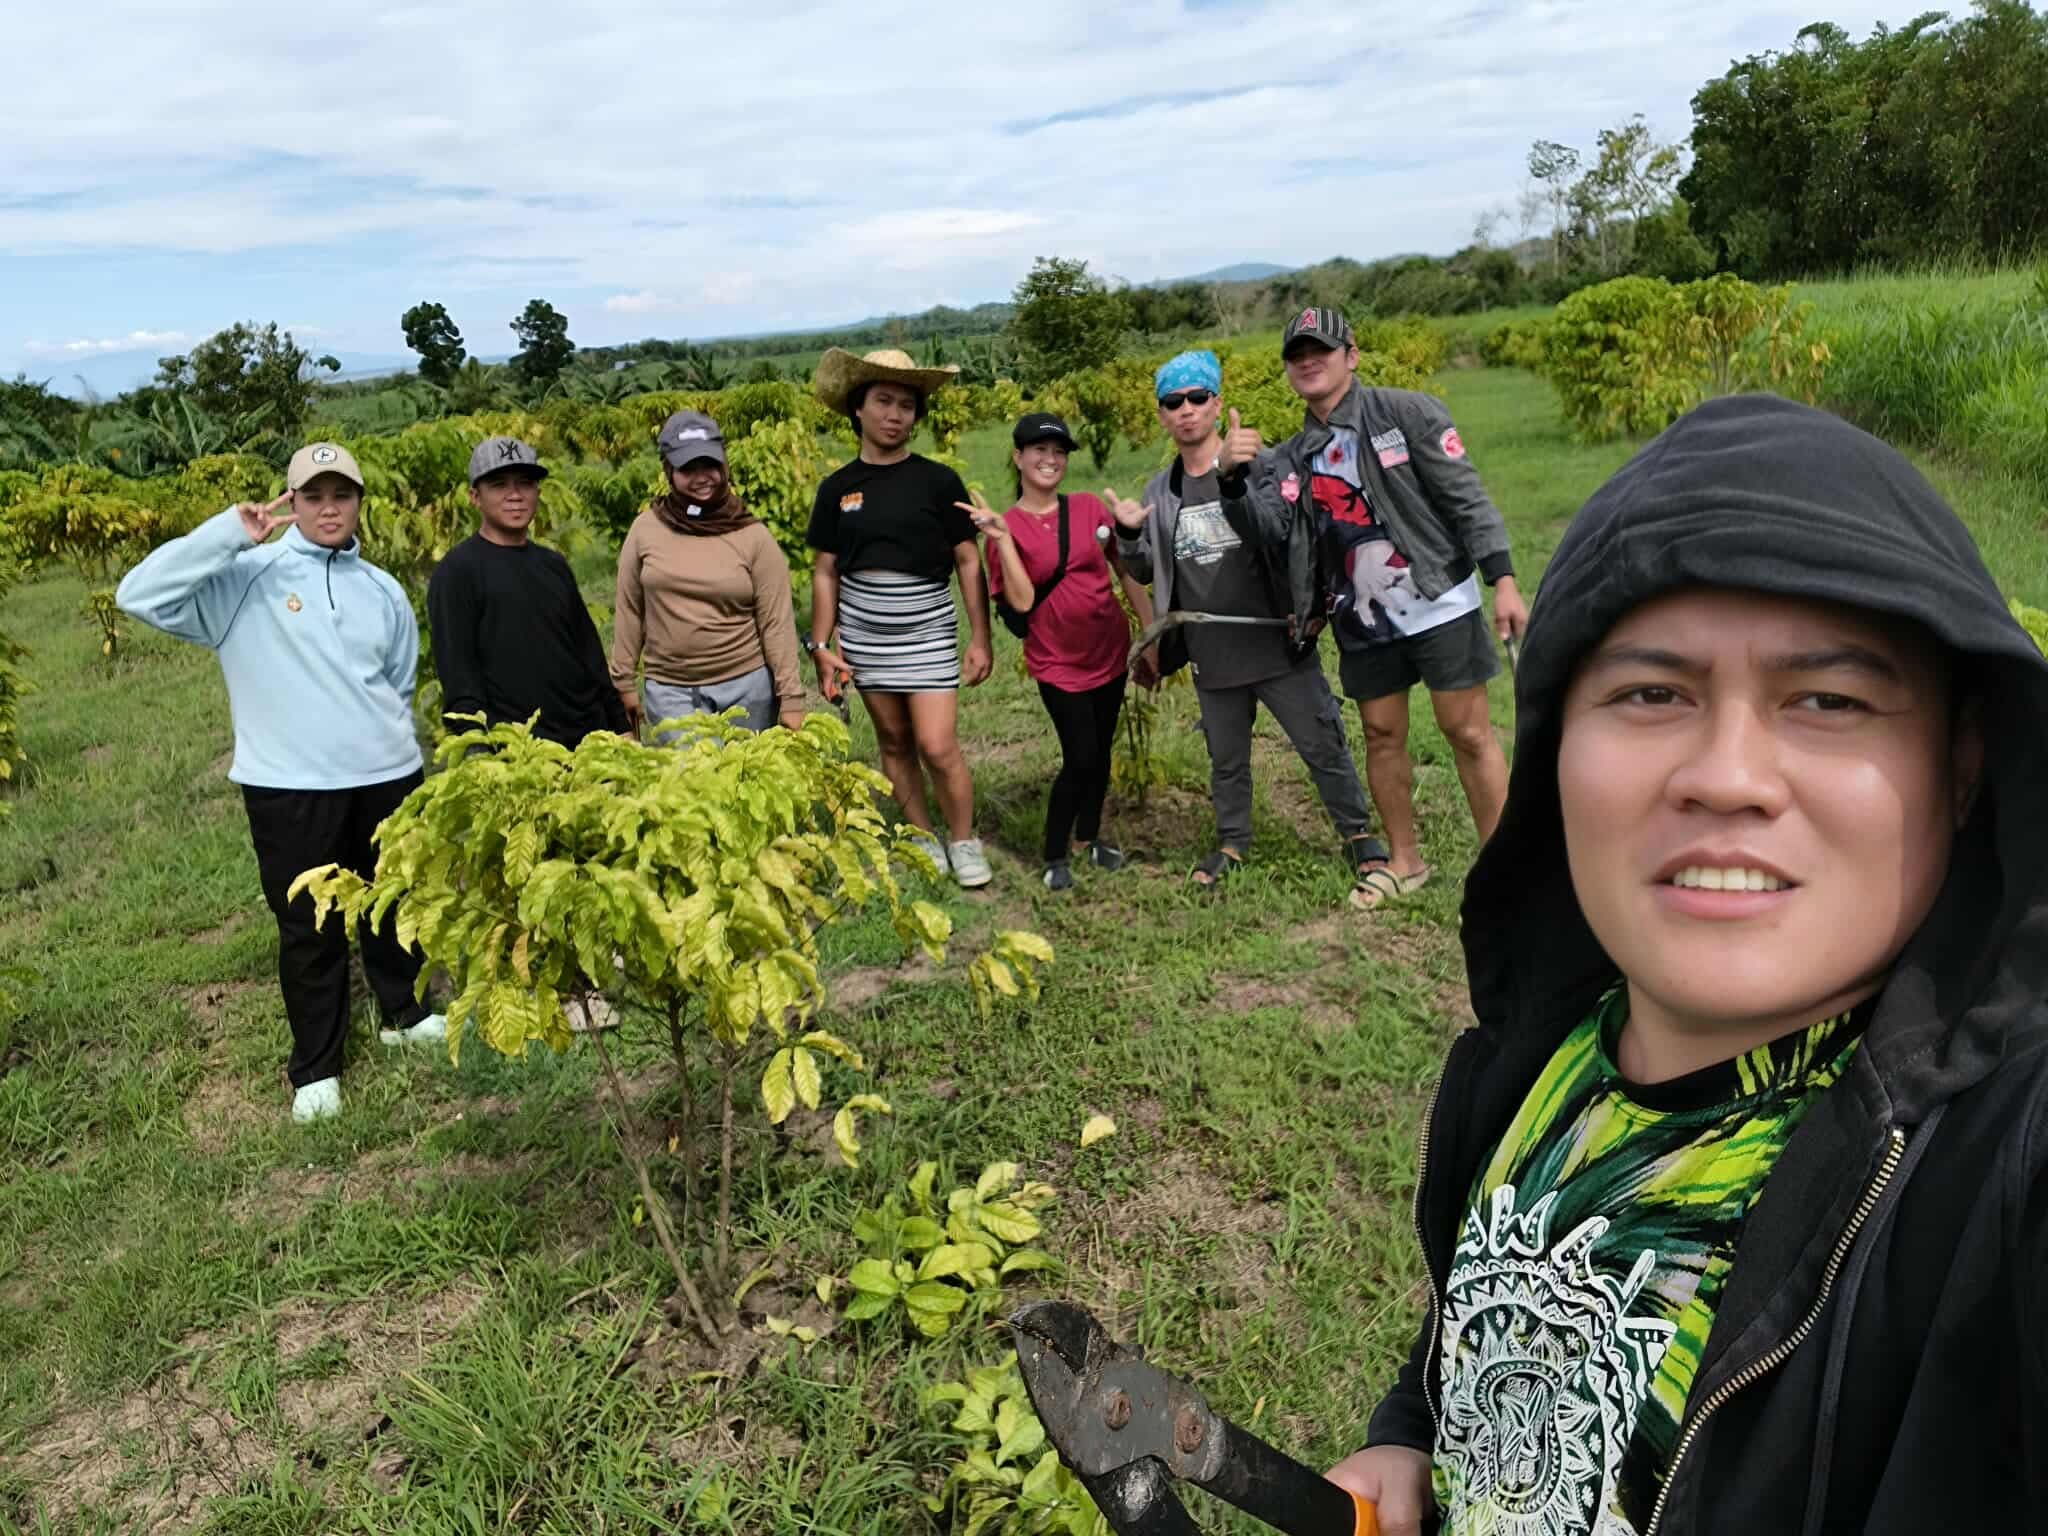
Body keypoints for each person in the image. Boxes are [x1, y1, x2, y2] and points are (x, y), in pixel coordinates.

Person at [1328, 395, 2048, 1534]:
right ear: (1559, 743)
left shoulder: (1990, 1169)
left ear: (1963, 768)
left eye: (1828, 700)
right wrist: (1408, 1436)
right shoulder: (1538, 1056)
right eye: (1650, 694)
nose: (1725, 775)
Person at [114, 443, 445, 1124]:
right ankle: (317, 1067)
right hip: (290, 787)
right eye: (314, 497)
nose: (330, 509)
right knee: (309, 925)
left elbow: (398, 677)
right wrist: (227, 534)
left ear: (358, 504)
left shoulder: (380, 587)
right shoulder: (244, 581)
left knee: (391, 900)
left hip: (386, 774)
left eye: (342, 496)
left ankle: (403, 1012)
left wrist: (388, 747)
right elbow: (137, 594)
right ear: (289, 505)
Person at [1225, 306, 1527, 910]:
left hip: (1438, 599)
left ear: (1351, 356)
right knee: (1382, 733)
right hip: (1362, 615)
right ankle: (1404, 860)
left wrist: (1504, 580)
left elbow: (1465, 497)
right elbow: (1268, 529)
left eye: (1322, 350)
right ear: (1288, 372)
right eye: (1296, 355)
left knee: (1466, 731)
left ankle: (1503, 868)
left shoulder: (1406, 413)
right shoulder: (1291, 458)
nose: (1308, 361)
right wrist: (1232, 480)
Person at [1106, 349, 1390, 900]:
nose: (1186, 410)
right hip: (1213, 652)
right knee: (1226, 759)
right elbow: (1146, 568)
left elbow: (1276, 533)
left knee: (1321, 742)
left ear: (1217, 403)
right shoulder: (1159, 494)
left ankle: (1358, 833)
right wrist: (1129, 535)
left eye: (1197, 398)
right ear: (1163, 416)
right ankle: (1233, 841)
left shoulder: (1263, 465)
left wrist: (1232, 477)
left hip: (1278, 641)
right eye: (1173, 402)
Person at [805, 348, 994, 889]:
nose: (895, 414)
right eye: (883, 401)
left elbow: (966, 561)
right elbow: (825, 571)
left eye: (907, 405)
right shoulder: (837, 489)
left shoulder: (938, 482)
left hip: (928, 632)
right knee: (892, 743)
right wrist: (821, 646)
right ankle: (919, 835)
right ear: (857, 410)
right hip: (864, 636)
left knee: (937, 744)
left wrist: (980, 637)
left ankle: (963, 839)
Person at [970, 412, 1156, 891]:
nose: (1050, 460)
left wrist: (1150, 633)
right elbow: (1021, 602)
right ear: (1018, 457)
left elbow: (1125, 572)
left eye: (1058, 452)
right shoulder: (1003, 527)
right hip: (1058, 662)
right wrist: (1004, 542)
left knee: (1101, 751)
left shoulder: (1090, 509)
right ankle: (1055, 852)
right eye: (1039, 450)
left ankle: (1087, 838)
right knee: (1081, 757)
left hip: (1109, 650)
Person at [611, 410, 804, 740]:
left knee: (744, 784)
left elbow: (776, 622)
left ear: (724, 466)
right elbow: (630, 609)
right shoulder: (645, 530)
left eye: (710, 465)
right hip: (671, 691)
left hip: (746, 689)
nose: (702, 477)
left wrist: (791, 697)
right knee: (689, 786)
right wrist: (622, 681)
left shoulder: (752, 536)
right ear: (669, 471)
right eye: (688, 468)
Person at [428, 435, 627, 744]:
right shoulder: (457, 572)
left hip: (588, 737)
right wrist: (478, 745)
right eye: (498, 485)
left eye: (525, 483)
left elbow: (588, 653)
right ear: (474, 497)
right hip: (521, 750)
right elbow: (459, 675)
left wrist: (618, 724)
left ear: (538, 492)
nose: (515, 495)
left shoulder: (553, 564)